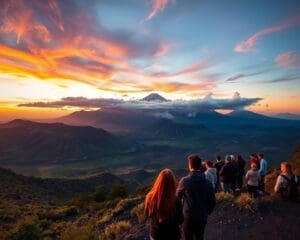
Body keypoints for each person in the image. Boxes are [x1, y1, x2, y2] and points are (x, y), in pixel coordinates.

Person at [176, 154, 216, 240]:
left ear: (190, 166)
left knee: (188, 237)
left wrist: (180, 212)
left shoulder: (184, 181)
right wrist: (206, 212)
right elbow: (212, 202)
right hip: (202, 216)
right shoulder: (208, 183)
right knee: (200, 236)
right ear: (200, 166)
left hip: (188, 216)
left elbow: (177, 197)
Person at [145, 168, 183, 240]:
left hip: (156, 235)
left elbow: (147, 214)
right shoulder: (176, 200)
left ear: (158, 181)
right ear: (172, 183)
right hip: (173, 235)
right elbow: (180, 220)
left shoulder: (149, 197)